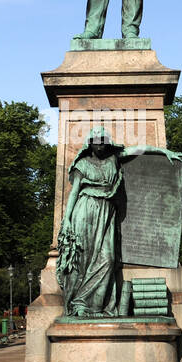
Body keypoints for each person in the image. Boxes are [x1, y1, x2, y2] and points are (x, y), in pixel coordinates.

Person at [57, 128, 128, 317]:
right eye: (97, 141)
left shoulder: (114, 159)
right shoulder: (82, 164)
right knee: (84, 259)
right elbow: (73, 194)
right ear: (90, 143)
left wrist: (164, 152)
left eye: (104, 141)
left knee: (108, 259)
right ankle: (80, 304)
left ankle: (94, 305)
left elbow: (137, 150)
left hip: (107, 211)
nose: (101, 144)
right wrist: (67, 220)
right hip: (86, 210)